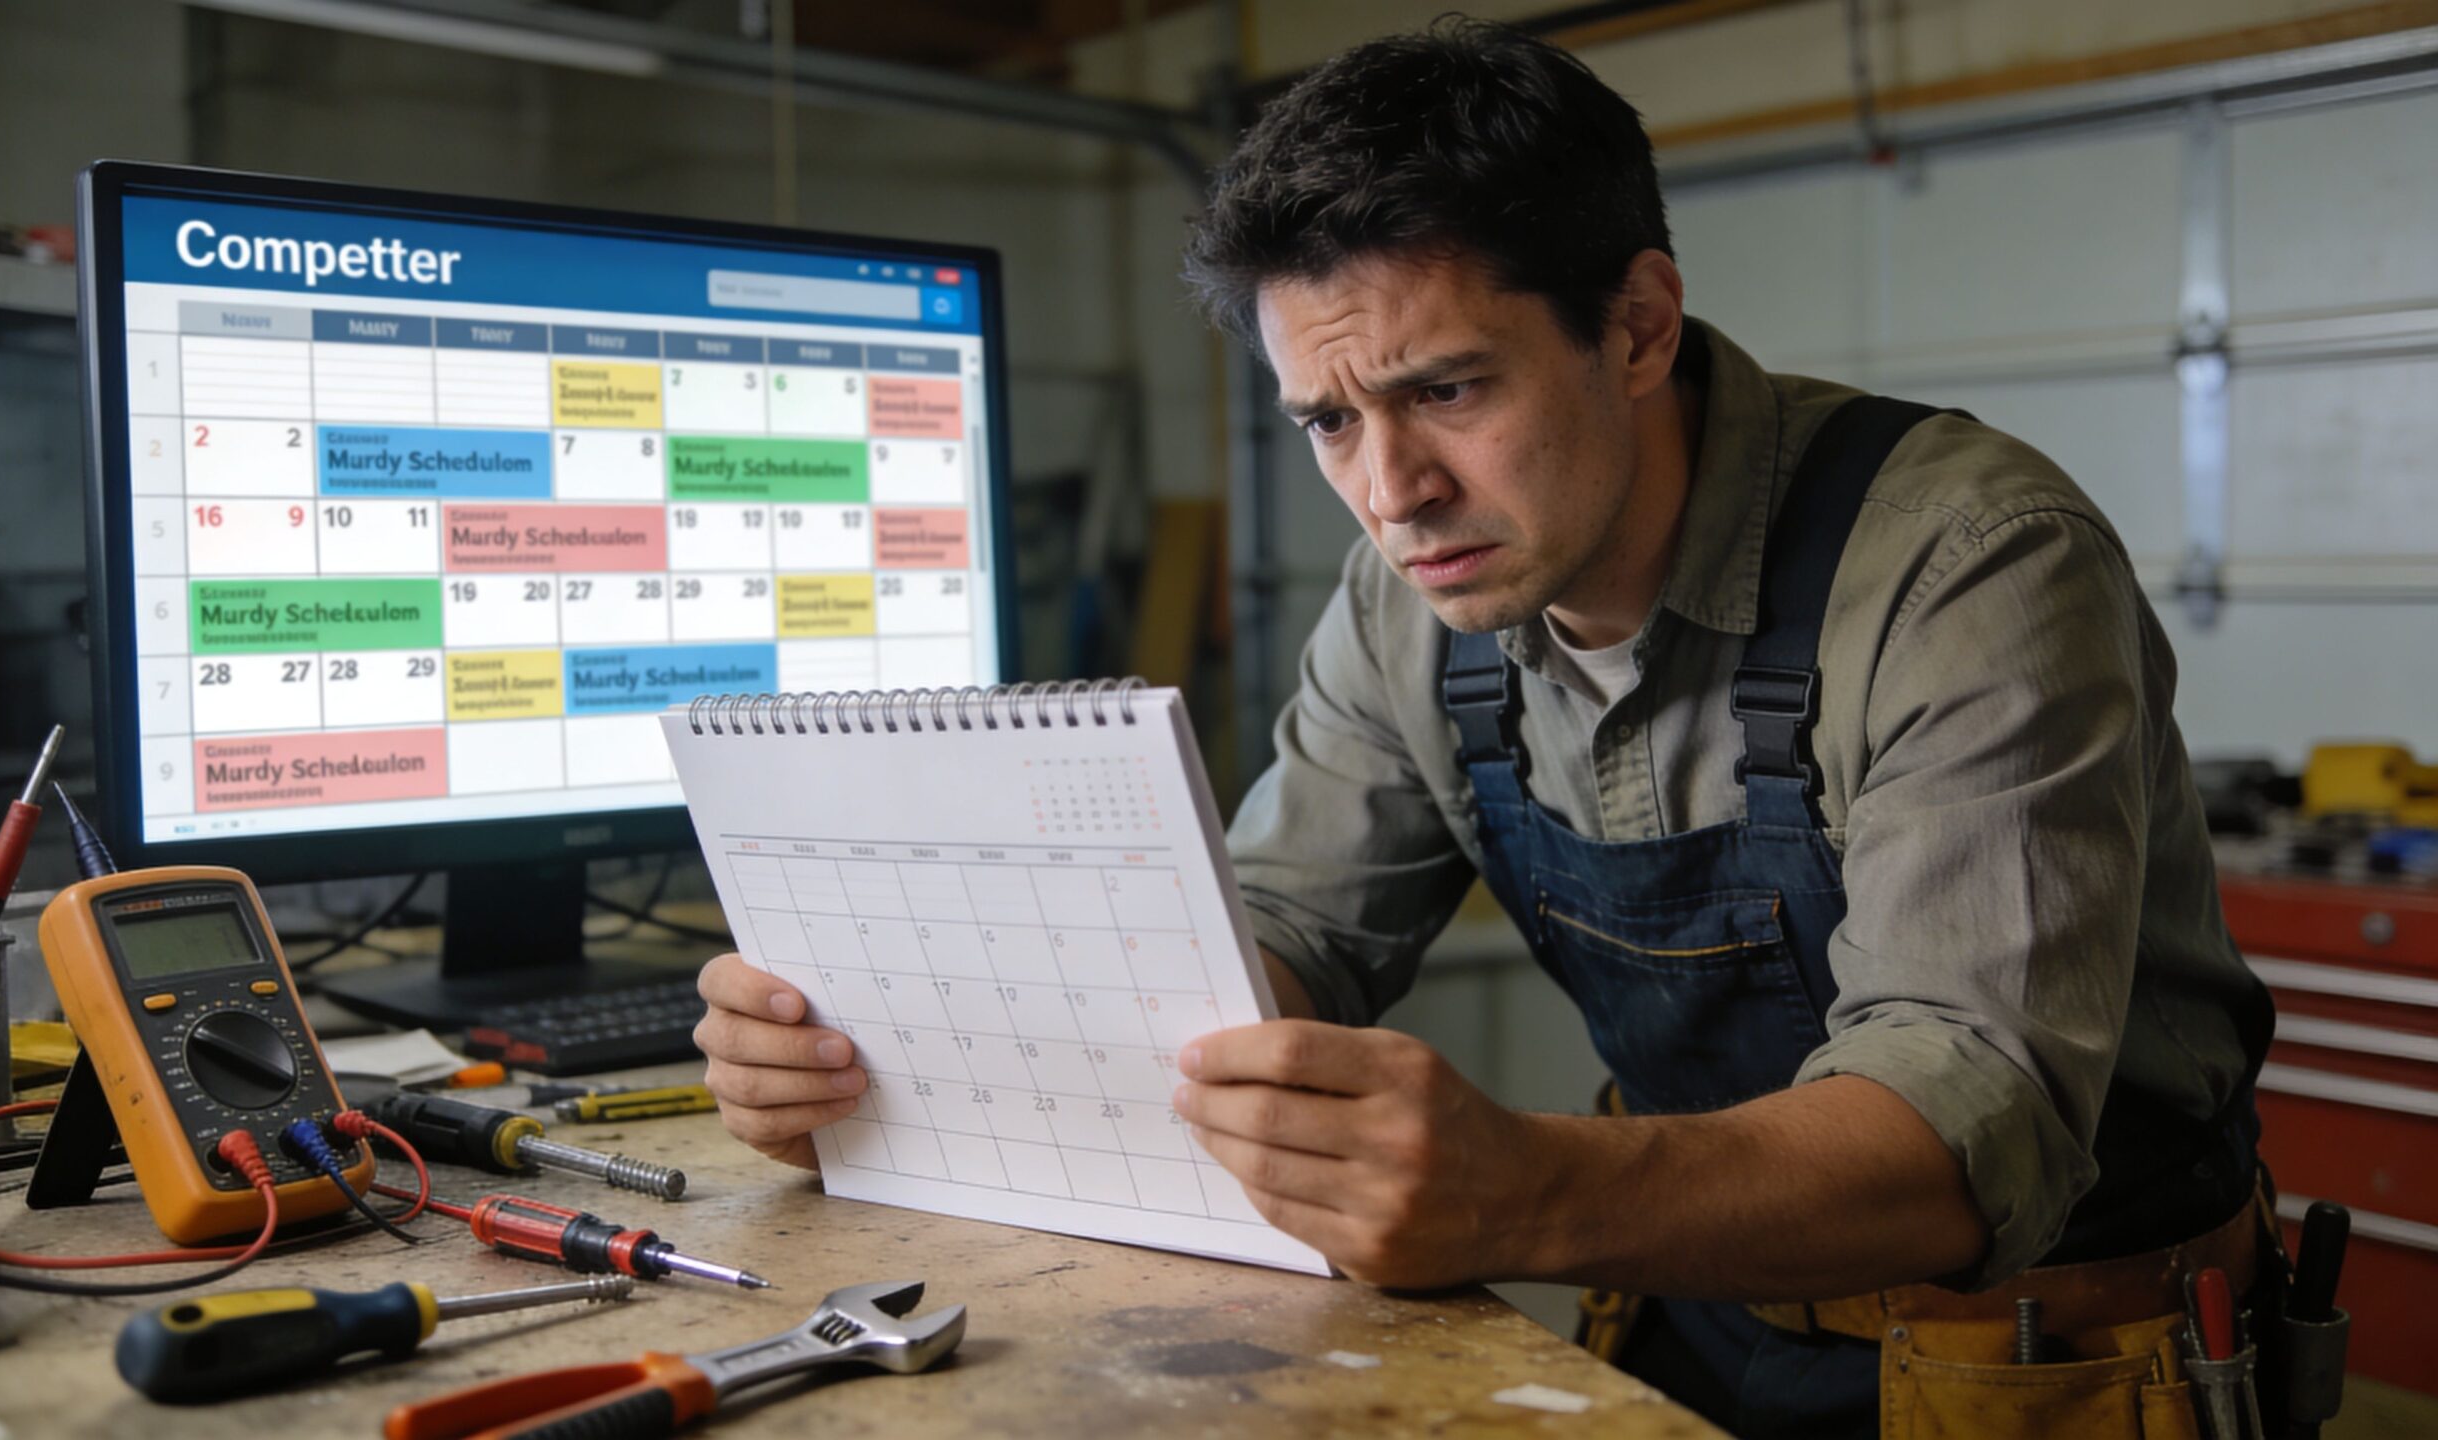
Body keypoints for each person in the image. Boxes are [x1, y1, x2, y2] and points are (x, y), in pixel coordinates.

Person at [692, 19, 2278, 1437]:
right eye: (1330, 421)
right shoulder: (1416, 596)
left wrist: (1518, 1192)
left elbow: (1962, 1120)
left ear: (1639, 325)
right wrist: (885, 1050)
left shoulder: (1967, 564)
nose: (1391, 494)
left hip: (2048, 1359)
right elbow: (1274, 935)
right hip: (1683, 1314)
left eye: (1448, 390)